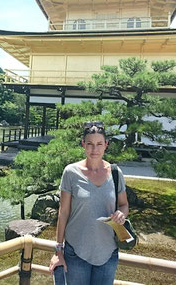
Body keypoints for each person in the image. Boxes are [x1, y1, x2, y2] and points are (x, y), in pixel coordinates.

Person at [49, 121, 129, 285]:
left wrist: (122, 214)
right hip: (76, 251)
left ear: (106, 145)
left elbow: (124, 204)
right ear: (83, 144)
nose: (95, 149)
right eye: (90, 144)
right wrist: (58, 250)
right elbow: (63, 212)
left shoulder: (115, 172)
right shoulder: (71, 172)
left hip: (108, 251)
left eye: (99, 144)